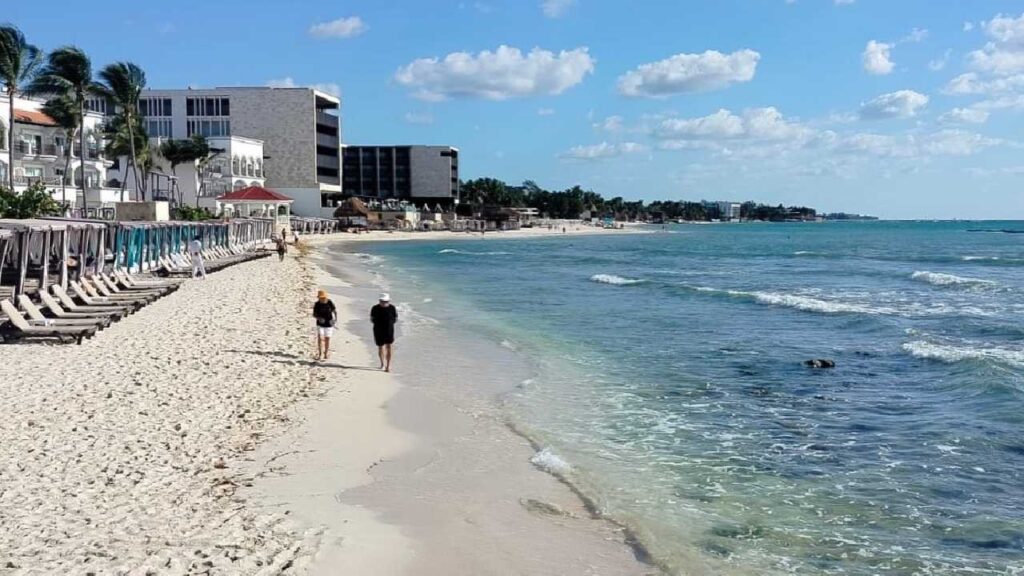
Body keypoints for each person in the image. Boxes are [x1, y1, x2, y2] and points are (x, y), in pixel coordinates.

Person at [370, 293, 398, 372]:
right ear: (379, 301)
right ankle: (382, 364)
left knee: (389, 346)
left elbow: (395, 318)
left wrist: (389, 324)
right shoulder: (375, 308)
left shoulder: (392, 308)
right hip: (378, 330)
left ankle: (388, 366)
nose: (384, 303)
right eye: (382, 301)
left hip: (389, 330)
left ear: (388, 301)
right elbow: (372, 319)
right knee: (380, 347)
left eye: (385, 301)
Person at [313, 289, 337, 360]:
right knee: (320, 337)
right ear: (319, 298)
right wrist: (319, 318)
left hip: (329, 323)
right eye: (321, 298)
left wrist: (335, 320)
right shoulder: (317, 304)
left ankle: (326, 353)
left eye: (324, 298)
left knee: (327, 339)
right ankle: (320, 354)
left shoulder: (330, 302)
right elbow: (314, 314)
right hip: (320, 324)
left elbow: (335, 311)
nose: (322, 299)